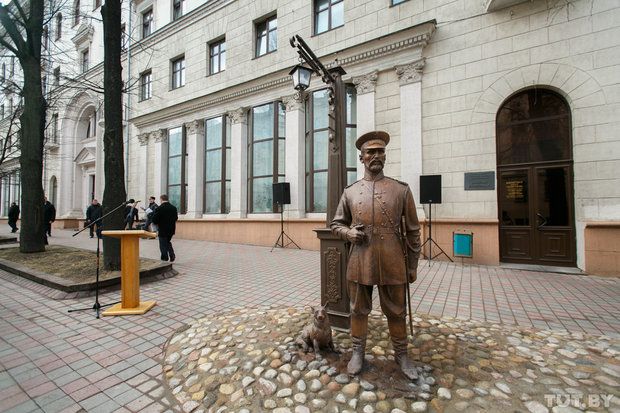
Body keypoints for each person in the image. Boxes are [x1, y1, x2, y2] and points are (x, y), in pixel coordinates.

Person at [330, 130, 421, 380]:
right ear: (361, 157)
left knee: (397, 311)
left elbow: (413, 231)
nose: (376, 156)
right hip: (361, 258)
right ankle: (357, 352)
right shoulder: (350, 191)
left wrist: (412, 265)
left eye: (380, 151)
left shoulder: (401, 190)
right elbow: (336, 224)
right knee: (358, 309)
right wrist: (348, 234)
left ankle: (402, 355)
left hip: (393, 258)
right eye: (371, 152)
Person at [151, 194, 178, 262]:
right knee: (167, 242)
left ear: (161, 199)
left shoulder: (159, 208)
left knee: (163, 244)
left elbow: (155, 220)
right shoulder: (173, 208)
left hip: (162, 229)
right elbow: (176, 218)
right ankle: (172, 255)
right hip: (171, 229)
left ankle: (164, 258)